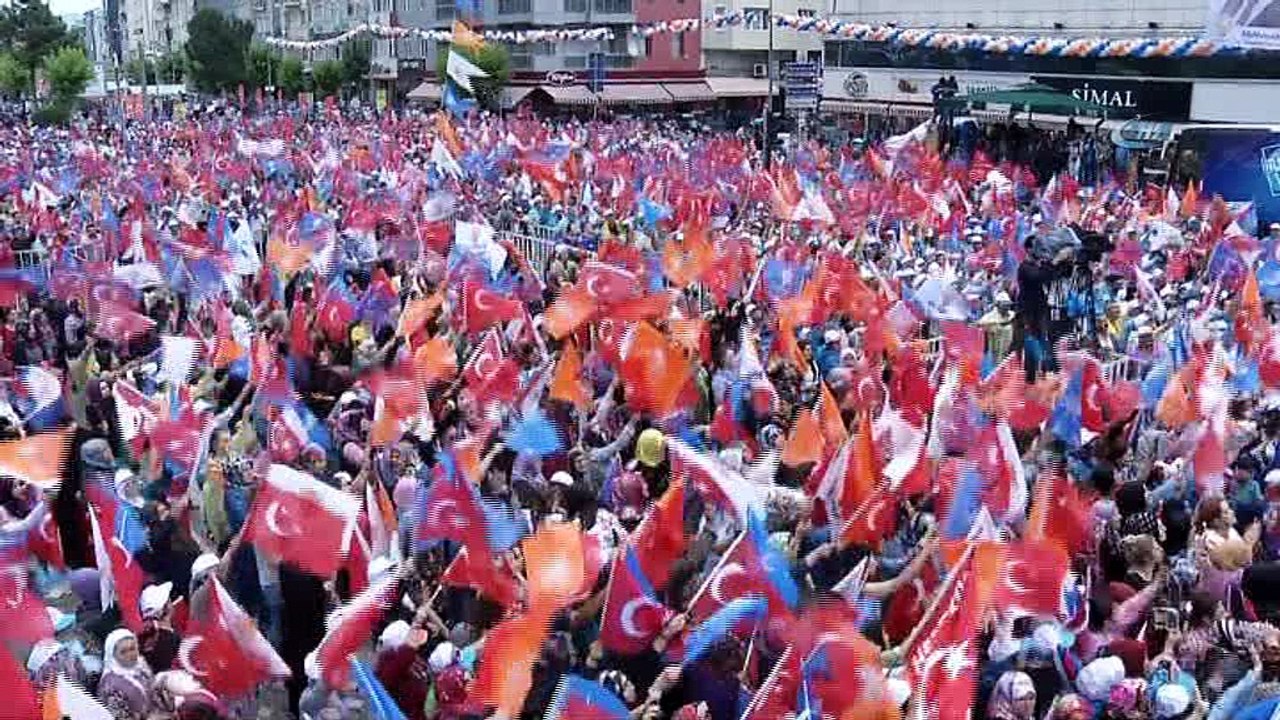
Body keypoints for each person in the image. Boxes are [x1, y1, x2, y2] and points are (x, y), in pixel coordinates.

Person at [98, 628, 157, 720]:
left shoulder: (140, 665)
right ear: (113, 655)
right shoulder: (111, 685)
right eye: (123, 652)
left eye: (132, 649)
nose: (130, 654)